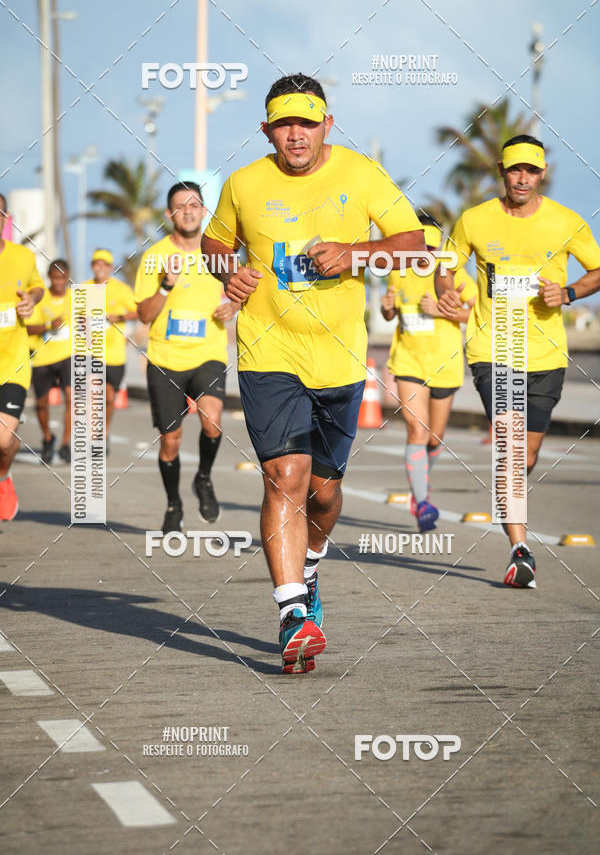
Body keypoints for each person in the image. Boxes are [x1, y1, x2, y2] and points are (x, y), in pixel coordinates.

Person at [202, 73, 426, 674]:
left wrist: (356, 254)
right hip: (268, 353)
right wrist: (229, 274)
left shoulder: (360, 173)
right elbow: (214, 243)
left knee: (323, 493)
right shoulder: (245, 183)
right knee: (285, 476)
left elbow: (416, 245)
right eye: (284, 124)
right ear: (266, 129)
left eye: (307, 122)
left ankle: (313, 562)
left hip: (339, 359)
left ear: (328, 123)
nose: (296, 134)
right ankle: (293, 613)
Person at [436, 135, 600, 588]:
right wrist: (446, 294)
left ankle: (510, 498)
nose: (522, 177)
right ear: (502, 172)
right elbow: (445, 268)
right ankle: (520, 548)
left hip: (546, 353)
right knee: (509, 449)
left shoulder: (565, 222)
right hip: (493, 350)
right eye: (514, 170)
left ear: (542, 173)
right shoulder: (475, 219)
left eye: (531, 170)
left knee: (524, 454)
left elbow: (597, 269)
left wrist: (567, 292)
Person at [135, 181, 236, 532]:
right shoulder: (154, 257)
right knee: (170, 441)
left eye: (195, 205)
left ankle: (203, 478)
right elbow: (144, 315)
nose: (189, 211)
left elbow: (241, 292)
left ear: (204, 211)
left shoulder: (219, 254)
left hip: (208, 352)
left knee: (212, 420)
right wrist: (165, 285)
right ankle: (173, 503)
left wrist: (233, 305)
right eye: (181, 206)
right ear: (169, 214)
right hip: (165, 359)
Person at [381, 217, 476, 531]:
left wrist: (442, 311)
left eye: (433, 250)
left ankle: (421, 481)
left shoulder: (455, 273)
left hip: (446, 366)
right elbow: (391, 313)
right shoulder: (398, 271)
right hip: (408, 362)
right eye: (421, 250)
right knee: (417, 432)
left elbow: (481, 315)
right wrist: (387, 308)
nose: (427, 257)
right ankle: (421, 502)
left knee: (435, 439)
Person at [0, 192, 45, 519]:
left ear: (5, 219)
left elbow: (37, 287)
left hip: (13, 362)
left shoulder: (23, 258)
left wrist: (30, 298)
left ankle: (3, 477)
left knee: (3, 441)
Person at [86, 249, 138, 451]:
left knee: (108, 398)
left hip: (115, 355)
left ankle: (103, 431)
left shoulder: (121, 289)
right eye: (96, 264)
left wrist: (118, 317)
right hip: (91, 353)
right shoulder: (84, 289)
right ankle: (94, 435)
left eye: (104, 264)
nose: (100, 268)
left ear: (110, 267)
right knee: (94, 396)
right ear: (92, 266)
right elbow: (74, 317)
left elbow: (138, 311)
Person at [26, 258, 72, 463]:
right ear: (49, 278)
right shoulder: (41, 298)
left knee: (72, 399)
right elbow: (27, 327)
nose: (59, 282)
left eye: (63, 278)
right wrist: (48, 325)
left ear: (68, 278)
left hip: (68, 355)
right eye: (55, 278)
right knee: (42, 404)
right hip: (42, 357)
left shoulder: (77, 297)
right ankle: (47, 438)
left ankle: (65, 444)